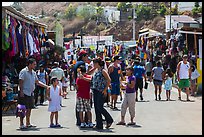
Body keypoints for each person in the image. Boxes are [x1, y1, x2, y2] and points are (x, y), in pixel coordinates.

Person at [18, 58, 49, 129]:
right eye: (34, 64)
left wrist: (46, 86)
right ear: (30, 64)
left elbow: (37, 82)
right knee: (22, 108)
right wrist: (21, 91)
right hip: (24, 92)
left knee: (29, 108)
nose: (35, 65)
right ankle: (21, 123)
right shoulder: (23, 71)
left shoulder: (34, 73)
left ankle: (28, 123)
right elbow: (21, 82)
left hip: (30, 93)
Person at [91, 57, 113, 130]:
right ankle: (99, 124)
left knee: (100, 107)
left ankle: (109, 119)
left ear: (97, 63)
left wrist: (105, 89)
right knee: (96, 108)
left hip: (101, 90)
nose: (93, 64)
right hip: (95, 90)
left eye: (94, 63)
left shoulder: (103, 71)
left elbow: (109, 80)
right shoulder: (96, 70)